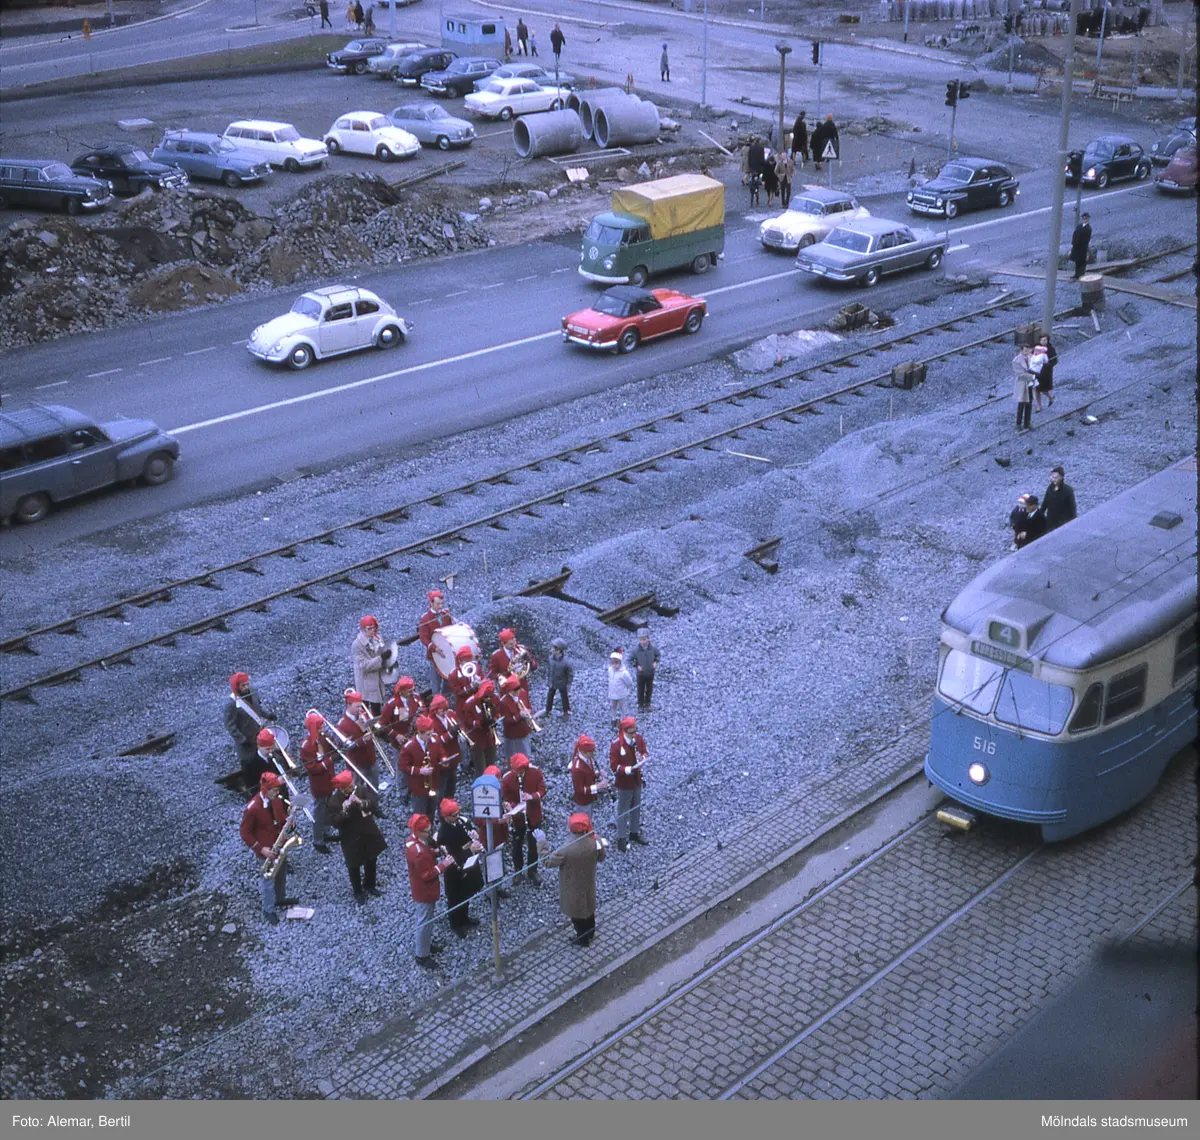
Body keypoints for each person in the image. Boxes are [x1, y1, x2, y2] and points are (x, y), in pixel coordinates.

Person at [239, 773, 298, 924]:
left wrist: (289, 823)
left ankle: (280, 898)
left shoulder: (276, 801)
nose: (278, 793)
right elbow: (244, 833)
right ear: (265, 789)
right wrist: (261, 849)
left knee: (281, 873)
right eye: (274, 790)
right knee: (268, 879)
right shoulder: (252, 808)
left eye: (278, 789)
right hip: (266, 850)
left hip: (279, 844)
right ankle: (268, 909)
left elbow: (281, 818)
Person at [543, 812, 606, 946]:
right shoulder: (596, 841)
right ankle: (590, 933)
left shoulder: (566, 849)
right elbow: (601, 857)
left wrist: (542, 844)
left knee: (577, 915)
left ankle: (582, 939)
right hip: (589, 883)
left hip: (572, 887)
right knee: (589, 910)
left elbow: (547, 862)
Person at [330, 770, 387, 904]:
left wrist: (360, 802)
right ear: (342, 788)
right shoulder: (334, 802)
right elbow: (335, 822)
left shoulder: (360, 791)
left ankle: (370, 884)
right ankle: (357, 891)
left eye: (352, 785)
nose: (352, 788)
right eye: (349, 787)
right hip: (350, 837)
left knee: (371, 858)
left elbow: (372, 805)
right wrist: (344, 811)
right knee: (353, 864)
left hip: (367, 831)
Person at [405, 814, 453, 966]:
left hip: (423, 889)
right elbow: (427, 874)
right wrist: (443, 865)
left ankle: (425, 945)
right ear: (419, 832)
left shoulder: (416, 842)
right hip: (424, 891)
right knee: (424, 922)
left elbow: (427, 852)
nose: (429, 834)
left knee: (427, 919)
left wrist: (436, 853)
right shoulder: (417, 851)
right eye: (426, 831)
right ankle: (422, 955)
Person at [435, 799, 484, 937]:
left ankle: (465, 918)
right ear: (446, 817)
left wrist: (473, 833)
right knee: (455, 897)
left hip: (468, 863)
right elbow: (450, 855)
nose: (458, 817)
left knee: (466, 893)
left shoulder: (461, 821)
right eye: (454, 815)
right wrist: (470, 851)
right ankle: (456, 924)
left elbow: (469, 830)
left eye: (458, 813)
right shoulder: (444, 833)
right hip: (455, 869)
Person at [223, 671, 275, 792]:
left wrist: (268, 715)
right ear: (237, 687)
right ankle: (254, 791)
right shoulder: (231, 704)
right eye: (242, 685)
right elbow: (230, 725)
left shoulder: (253, 692)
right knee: (249, 767)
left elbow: (257, 709)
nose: (246, 687)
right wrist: (242, 739)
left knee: (264, 762)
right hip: (246, 744)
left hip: (258, 737)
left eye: (247, 684)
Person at [502, 752, 545, 884]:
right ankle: (518, 871)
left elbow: (542, 791)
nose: (519, 775)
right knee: (517, 844)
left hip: (533, 814)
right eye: (517, 772)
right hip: (518, 818)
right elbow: (506, 797)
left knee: (533, 844)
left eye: (521, 772)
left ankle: (533, 871)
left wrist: (531, 796)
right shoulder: (507, 778)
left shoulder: (536, 773)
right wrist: (510, 805)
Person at [338, 690, 383, 814]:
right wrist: (362, 741)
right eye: (357, 706)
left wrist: (371, 726)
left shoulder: (363, 715)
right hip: (356, 764)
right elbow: (345, 747)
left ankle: (374, 807)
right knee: (358, 789)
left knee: (374, 785)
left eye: (361, 705)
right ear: (349, 705)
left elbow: (373, 728)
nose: (360, 709)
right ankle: (361, 811)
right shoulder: (342, 724)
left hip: (370, 758)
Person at [299, 709, 337, 853]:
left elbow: (333, 750)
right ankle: (317, 840)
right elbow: (312, 768)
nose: (323, 729)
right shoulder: (307, 746)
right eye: (320, 727)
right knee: (319, 811)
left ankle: (325, 832)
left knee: (328, 808)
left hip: (329, 779)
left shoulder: (322, 738)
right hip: (319, 783)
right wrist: (328, 761)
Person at [609, 715, 648, 851]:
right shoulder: (616, 745)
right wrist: (628, 769)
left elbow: (644, 751)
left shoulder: (638, 739)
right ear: (624, 731)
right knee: (623, 809)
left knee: (636, 805)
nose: (634, 734)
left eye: (635, 731)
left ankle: (634, 832)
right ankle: (621, 838)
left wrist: (642, 758)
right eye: (631, 732)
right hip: (624, 783)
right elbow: (614, 766)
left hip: (637, 779)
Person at [398, 716, 440, 822]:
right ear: (420, 733)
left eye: (432, 733)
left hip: (433, 784)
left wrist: (444, 759)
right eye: (428, 734)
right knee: (420, 815)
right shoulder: (409, 747)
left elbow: (440, 752)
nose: (431, 737)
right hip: (418, 788)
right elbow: (402, 766)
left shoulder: (434, 740)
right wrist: (419, 771)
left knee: (431, 812)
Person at [417, 589, 454, 697]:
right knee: (436, 682)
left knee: (449, 677)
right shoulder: (425, 618)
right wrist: (434, 648)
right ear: (431, 603)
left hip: (447, 652)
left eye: (442, 603)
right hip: (434, 654)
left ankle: (447, 700)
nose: (441, 606)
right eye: (438, 604)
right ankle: (436, 701)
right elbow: (423, 637)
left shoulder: (446, 614)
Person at [460, 678, 500, 777]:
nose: (489, 698)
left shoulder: (494, 698)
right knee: (480, 767)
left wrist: (495, 718)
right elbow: (467, 721)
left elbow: (498, 710)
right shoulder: (470, 703)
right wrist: (479, 723)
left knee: (491, 762)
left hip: (490, 736)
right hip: (477, 738)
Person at [427, 694, 463, 802]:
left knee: (452, 785)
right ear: (435, 710)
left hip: (453, 754)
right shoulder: (431, 722)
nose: (446, 712)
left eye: (446, 709)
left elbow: (459, 726)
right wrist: (450, 734)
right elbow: (435, 742)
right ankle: (442, 809)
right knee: (442, 787)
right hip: (442, 759)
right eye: (443, 710)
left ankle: (450, 804)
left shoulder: (450, 714)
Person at [351, 615, 386, 715]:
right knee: (364, 709)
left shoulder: (377, 639)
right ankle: (365, 728)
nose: (373, 630)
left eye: (374, 627)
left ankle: (377, 727)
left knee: (377, 708)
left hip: (377, 679)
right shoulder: (357, 645)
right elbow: (364, 665)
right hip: (365, 681)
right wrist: (381, 658)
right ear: (363, 629)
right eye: (369, 628)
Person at [489, 627, 537, 695]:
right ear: (503, 644)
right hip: (507, 688)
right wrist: (500, 676)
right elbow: (492, 674)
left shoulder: (522, 649)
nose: (513, 645)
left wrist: (530, 660)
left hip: (521, 686)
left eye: (514, 642)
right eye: (510, 644)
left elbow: (534, 666)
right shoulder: (496, 656)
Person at [570, 734, 610, 807]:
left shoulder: (588, 759)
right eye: (591, 752)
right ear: (583, 752)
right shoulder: (577, 769)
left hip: (590, 797)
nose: (593, 754)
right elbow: (579, 790)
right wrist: (598, 786)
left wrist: (597, 774)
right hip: (583, 802)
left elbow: (587, 775)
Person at [630, 627, 660, 714]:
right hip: (641, 674)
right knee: (640, 689)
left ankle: (648, 703)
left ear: (648, 638)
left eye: (644, 639)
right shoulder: (636, 650)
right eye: (641, 640)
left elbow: (658, 655)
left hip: (651, 672)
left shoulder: (653, 648)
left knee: (649, 689)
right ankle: (640, 705)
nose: (643, 641)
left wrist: (655, 662)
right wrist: (636, 665)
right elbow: (630, 659)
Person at [544, 637, 574, 718]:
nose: (551, 649)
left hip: (562, 683)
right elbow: (549, 670)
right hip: (553, 682)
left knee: (564, 697)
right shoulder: (550, 658)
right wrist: (548, 680)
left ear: (558, 650)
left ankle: (566, 711)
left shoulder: (566, 662)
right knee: (550, 696)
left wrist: (568, 685)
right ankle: (548, 710)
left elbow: (570, 674)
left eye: (553, 648)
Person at [607, 649, 635, 731]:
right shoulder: (610, 670)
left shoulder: (624, 673)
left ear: (620, 663)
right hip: (612, 693)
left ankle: (623, 720)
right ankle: (613, 718)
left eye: (616, 663)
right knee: (613, 706)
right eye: (613, 663)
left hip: (621, 694)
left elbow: (629, 682)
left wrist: (626, 690)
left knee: (622, 707)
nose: (614, 665)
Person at [1031, 334, 1057, 409]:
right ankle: (1039, 406)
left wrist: (1046, 365)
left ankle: (1050, 397)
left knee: (1044, 389)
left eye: (1045, 340)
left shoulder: (1051, 349)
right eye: (1042, 340)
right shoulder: (1037, 348)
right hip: (1036, 371)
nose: (1043, 342)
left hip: (1046, 372)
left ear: (1048, 340)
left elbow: (1054, 361)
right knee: (1036, 388)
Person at [1012, 345, 1034, 431]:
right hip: (1022, 384)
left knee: (1029, 403)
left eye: (1028, 350)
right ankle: (1018, 424)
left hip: (1029, 383)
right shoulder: (1016, 361)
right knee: (1021, 404)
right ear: (1021, 350)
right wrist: (1032, 376)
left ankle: (1027, 423)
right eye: (1025, 351)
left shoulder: (1030, 357)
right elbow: (1020, 374)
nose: (1027, 352)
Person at [1070, 213, 1092, 280]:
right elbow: (1074, 234)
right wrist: (1074, 242)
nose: (1085, 220)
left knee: (1082, 262)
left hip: (1083, 247)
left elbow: (1086, 239)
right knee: (1077, 261)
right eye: (1084, 218)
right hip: (1077, 246)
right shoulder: (1079, 226)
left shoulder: (1088, 228)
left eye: (1086, 219)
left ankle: (1081, 275)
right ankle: (1076, 274)